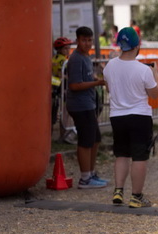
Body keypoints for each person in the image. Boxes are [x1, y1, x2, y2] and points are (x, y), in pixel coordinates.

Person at [103, 27, 158, 208]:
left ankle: (118, 191)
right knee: (139, 156)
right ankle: (136, 196)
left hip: (117, 116)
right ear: (137, 46)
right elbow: (155, 94)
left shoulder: (110, 66)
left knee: (121, 154)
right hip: (139, 116)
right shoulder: (143, 70)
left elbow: (108, 88)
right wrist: (156, 74)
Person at [66, 26, 108, 189]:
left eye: (90, 40)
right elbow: (74, 85)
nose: (87, 43)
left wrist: (96, 79)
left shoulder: (86, 57)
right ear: (77, 40)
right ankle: (85, 178)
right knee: (85, 140)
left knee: (95, 139)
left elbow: (86, 78)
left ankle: (91, 173)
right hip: (80, 105)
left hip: (88, 103)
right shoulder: (76, 59)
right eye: (84, 40)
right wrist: (97, 83)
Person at [51, 37, 73, 127]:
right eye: (65, 48)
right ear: (59, 49)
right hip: (62, 87)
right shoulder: (63, 60)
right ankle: (63, 132)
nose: (68, 50)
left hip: (55, 87)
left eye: (69, 48)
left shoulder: (54, 58)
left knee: (55, 112)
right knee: (64, 112)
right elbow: (62, 74)